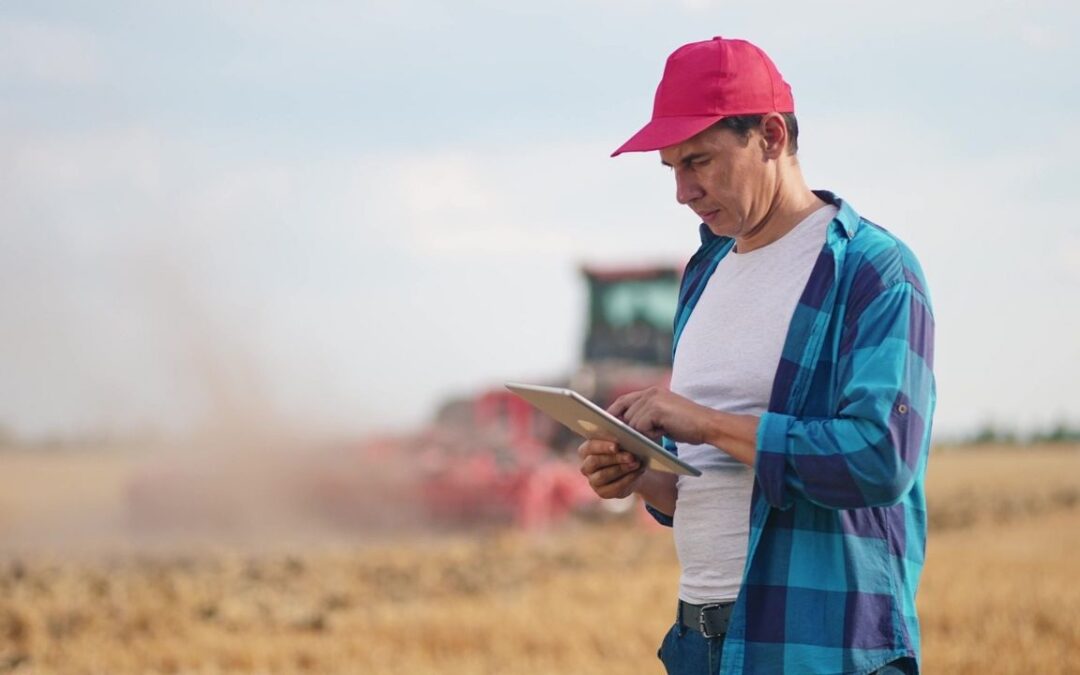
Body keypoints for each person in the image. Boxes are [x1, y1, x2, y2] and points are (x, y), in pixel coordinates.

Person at [577, 37, 935, 675]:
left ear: (771, 136)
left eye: (699, 161)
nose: (683, 190)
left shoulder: (872, 270)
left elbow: (880, 458)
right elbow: (711, 482)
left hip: (818, 647)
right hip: (700, 642)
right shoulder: (705, 272)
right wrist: (639, 475)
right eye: (671, 168)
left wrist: (703, 422)